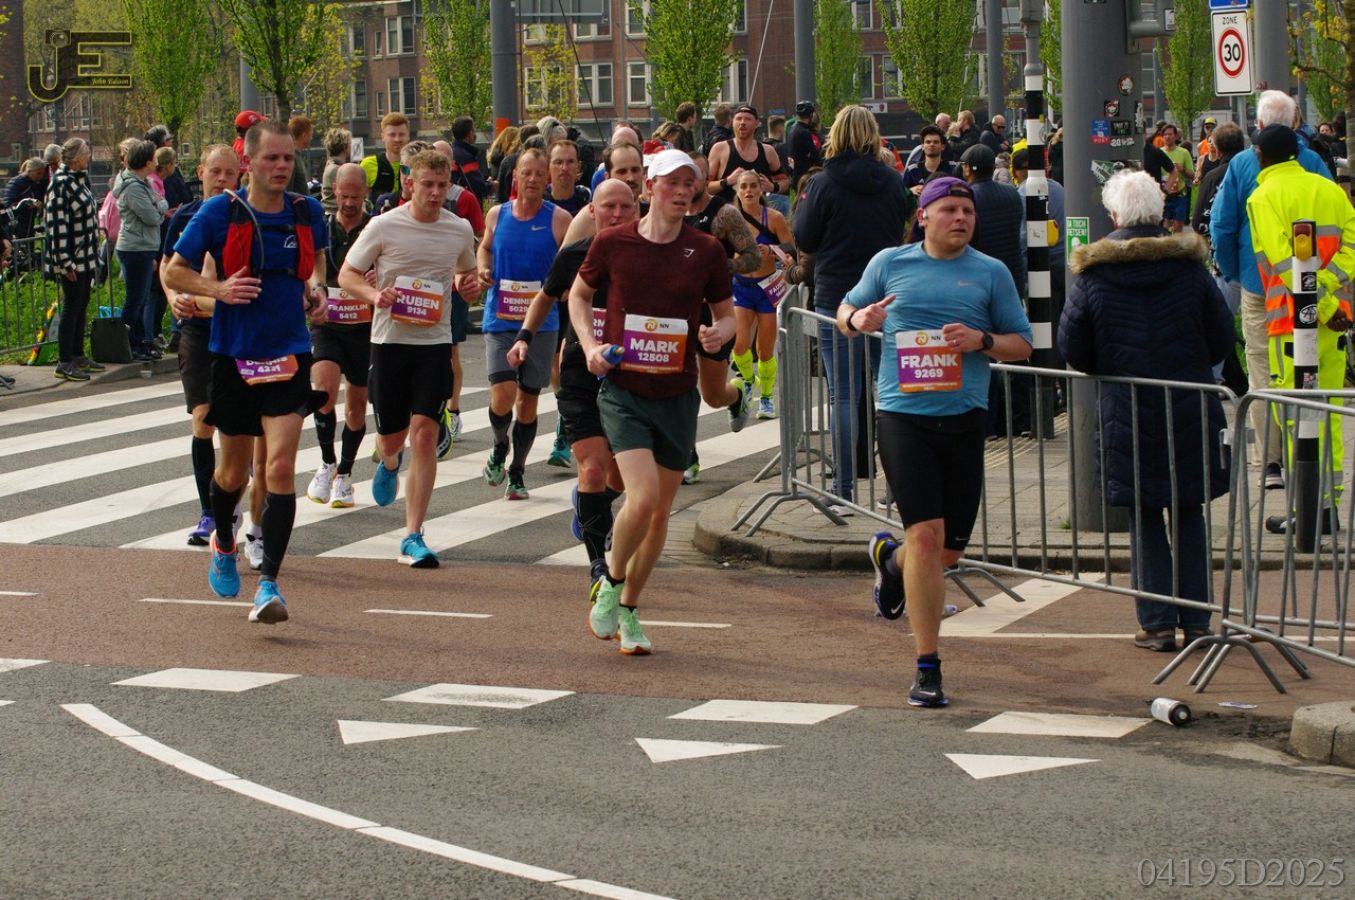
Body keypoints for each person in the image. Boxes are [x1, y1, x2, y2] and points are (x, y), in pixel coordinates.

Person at [841, 176, 1032, 707]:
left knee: (946, 552)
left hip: (965, 419)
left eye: (967, 211)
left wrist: (982, 340)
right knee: (926, 536)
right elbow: (844, 312)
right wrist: (859, 318)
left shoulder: (990, 273)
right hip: (902, 417)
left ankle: (891, 561)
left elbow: (1023, 344)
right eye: (949, 209)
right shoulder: (890, 263)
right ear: (923, 216)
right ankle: (927, 667)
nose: (961, 218)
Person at [570, 149, 736, 655]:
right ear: (649, 187)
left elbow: (727, 315)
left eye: (690, 184)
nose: (683, 192)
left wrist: (718, 333)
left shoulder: (706, 250)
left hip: (677, 394)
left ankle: (629, 609)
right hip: (624, 391)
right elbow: (578, 296)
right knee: (640, 499)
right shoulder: (613, 242)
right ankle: (612, 581)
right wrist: (590, 346)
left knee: (659, 515)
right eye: (672, 183)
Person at [164, 119, 329, 625]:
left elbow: (317, 265)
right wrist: (217, 290)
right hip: (234, 357)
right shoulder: (219, 211)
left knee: (278, 469)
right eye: (271, 158)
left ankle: (269, 584)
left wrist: (317, 291)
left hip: (288, 354)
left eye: (288, 158)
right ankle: (223, 539)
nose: (281, 166)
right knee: (232, 472)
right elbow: (173, 270)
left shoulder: (306, 211)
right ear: (248, 163)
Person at [1058, 170, 1232, 652]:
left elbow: (1073, 346)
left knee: (1145, 513)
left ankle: (1156, 624)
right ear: (1159, 212)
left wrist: (1110, 368)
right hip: (1188, 402)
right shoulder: (1191, 270)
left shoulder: (1094, 276)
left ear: (1114, 216)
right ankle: (1197, 621)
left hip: (1126, 408)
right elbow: (1221, 336)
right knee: (1189, 510)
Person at [336, 150, 480, 566]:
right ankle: (388, 461)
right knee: (392, 438)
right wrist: (373, 294)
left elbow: (464, 273)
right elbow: (346, 274)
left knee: (425, 435)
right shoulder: (384, 225)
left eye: (442, 185)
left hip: (433, 345)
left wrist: (468, 286)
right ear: (410, 184)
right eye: (427, 185)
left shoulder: (458, 229)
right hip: (389, 343)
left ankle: (413, 534)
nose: (435, 193)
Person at [507, 178, 639, 596]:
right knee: (593, 468)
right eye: (608, 207)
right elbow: (545, 297)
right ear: (593, 212)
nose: (617, 214)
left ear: (637, 210)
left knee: (619, 477)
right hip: (580, 371)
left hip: (632, 375)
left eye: (625, 207)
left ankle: (589, 504)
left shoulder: (650, 257)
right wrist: (524, 338)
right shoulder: (576, 255)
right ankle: (598, 567)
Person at [1210, 90, 1333, 492]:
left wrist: (1235, 272)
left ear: (1259, 126)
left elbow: (1222, 225)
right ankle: (1309, 459)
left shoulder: (1243, 165)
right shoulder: (1314, 164)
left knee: (1263, 370)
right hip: (1314, 287)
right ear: (1295, 123)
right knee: (1308, 370)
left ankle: (1271, 462)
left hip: (1260, 285)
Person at [792, 106, 911, 511]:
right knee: (890, 393)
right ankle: (897, 490)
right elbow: (902, 226)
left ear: (836, 134)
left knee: (843, 395)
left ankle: (843, 490)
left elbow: (805, 236)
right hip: (886, 296)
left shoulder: (823, 184)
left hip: (836, 296)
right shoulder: (893, 181)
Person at [1246, 124, 1355, 534]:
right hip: (1333, 325)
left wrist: (1319, 305)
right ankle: (1328, 507)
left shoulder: (1262, 197)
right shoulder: (1330, 191)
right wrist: (1330, 301)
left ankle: (1307, 510)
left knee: (1295, 416)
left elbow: (1284, 264)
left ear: (1260, 156)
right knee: (1328, 414)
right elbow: (1351, 249)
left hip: (1290, 323)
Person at [477, 148, 572, 500]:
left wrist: (566, 287)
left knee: (528, 404)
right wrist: (483, 268)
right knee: (503, 396)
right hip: (500, 318)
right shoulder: (497, 214)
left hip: (542, 324)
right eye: (526, 172)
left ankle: (517, 471)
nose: (532, 179)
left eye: (538, 173)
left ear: (547, 178)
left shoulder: (559, 219)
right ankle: (499, 445)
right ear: (515, 175)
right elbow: (484, 248)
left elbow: (573, 262)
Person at [164, 144, 241, 545]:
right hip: (195, 331)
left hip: (235, 330)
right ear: (200, 173)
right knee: (203, 419)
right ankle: (209, 512)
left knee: (237, 426)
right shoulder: (185, 216)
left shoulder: (247, 218)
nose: (222, 179)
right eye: (215, 172)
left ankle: (235, 491)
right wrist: (173, 299)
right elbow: (166, 266)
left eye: (230, 173)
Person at [305, 164, 374, 510]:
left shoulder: (375, 228)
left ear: (365, 193)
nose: (348, 203)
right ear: (334, 192)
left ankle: (345, 474)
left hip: (364, 329)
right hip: (328, 323)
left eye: (354, 196)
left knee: (357, 408)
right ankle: (327, 462)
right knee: (324, 391)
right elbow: (310, 266)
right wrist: (316, 289)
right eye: (343, 196)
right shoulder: (323, 227)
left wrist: (379, 280)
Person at [728, 169, 794, 419]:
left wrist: (772, 250)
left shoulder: (774, 217)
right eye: (743, 186)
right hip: (741, 287)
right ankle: (748, 379)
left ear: (761, 189)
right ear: (737, 191)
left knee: (765, 350)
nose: (748, 191)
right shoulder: (729, 219)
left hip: (767, 288)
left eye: (753, 186)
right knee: (739, 344)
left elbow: (791, 249)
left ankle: (766, 398)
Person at [43, 138, 101, 382]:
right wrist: (65, 262)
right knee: (71, 306)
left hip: (85, 256)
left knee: (81, 303)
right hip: (73, 258)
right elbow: (57, 226)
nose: (89, 157)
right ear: (77, 158)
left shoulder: (78, 180)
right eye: (86, 153)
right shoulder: (61, 183)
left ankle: (77, 354)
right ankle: (65, 360)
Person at [113, 139, 169, 362]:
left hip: (144, 246)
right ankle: (129, 343)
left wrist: (159, 207)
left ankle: (139, 342)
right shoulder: (134, 187)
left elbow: (160, 203)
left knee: (142, 297)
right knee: (135, 299)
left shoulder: (143, 182)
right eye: (153, 158)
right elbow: (152, 216)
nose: (156, 162)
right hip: (135, 247)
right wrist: (160, 209)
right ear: (146, 162)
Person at [707, 105, 790, 205]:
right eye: (739, 118)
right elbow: (706, 187)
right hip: (728, 212)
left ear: (757, 123)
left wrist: (773, 187)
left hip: (758, 212)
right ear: (732, 122)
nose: (742, 122)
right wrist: (727, 181)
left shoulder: (767, 151)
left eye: (747, 119)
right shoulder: (720, 149)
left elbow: (785, 181)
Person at [362, 112, 409, 205]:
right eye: (392, 135)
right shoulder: (368, 165)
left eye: (401, 134)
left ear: (408, 135)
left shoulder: (418, 165)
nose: (397, 139)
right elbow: (359, 199)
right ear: (383, 136)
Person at [1159, 124, 1193, 232]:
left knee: (1178, 226)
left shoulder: (1184, 152)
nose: (1167, 137)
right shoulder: (1158, 153)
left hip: (1179, 195)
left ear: (1175, 136)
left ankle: (1177, 242)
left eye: (1170, 134)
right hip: (1164, 195)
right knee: (1165, 227)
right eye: (1165, 134)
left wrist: (1182, 169)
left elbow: (1193, 175)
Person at [4, 158, 47, 240]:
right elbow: (8, 205)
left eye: (42, 174)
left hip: (29, 226)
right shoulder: (16, 183)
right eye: (38, 173)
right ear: (30, 171)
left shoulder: (35, 185)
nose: (40, 177)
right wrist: (26, 204)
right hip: (17, 226)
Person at [545, 138, 590, 216]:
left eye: (570, 162)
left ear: (578, 167)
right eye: (558, 162)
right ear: (548, 167)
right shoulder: (538, 202)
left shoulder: (587, 201)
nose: (564, 168)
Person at [451, 115, 491, 200]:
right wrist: (491, 186)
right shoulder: (466, 157)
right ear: (469, 133)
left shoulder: (451, 152)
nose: (475, 134)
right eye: (473, 130)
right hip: (466, 203)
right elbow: (477, 187)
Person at [787, 100, 823, 191]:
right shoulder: (804, 132)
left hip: (795, 176)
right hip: (803, 177)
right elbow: (815, 156)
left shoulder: (792, 129)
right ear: (811, 115)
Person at [320, 127, 352, 215]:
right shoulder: (337, 170)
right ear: (345, 146)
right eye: (349, 143)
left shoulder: (331, 166)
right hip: (335, 215)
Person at [232, 110, 266, 175]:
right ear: (247, 130)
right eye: (258, 127)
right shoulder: (246, 148)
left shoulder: (238, 143)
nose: (261, 129)